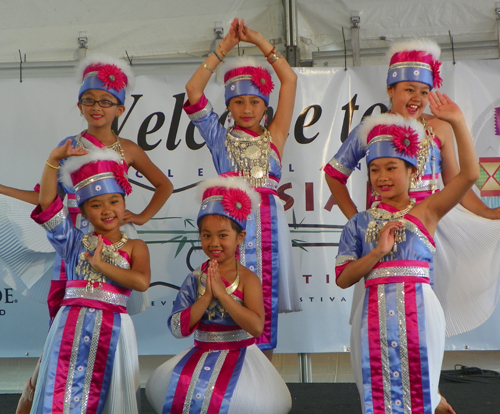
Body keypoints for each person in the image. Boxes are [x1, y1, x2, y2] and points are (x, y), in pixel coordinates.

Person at [5, 55, 173, 414]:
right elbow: (45, 199)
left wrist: (140, 216)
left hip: (116, 241)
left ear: (120, 107)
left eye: (105, 101)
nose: (97, 107)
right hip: (74, 244)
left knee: (106, 325)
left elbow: (164, 185)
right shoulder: (69, 147)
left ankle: (103, 401)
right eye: (89, 100)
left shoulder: (128, 149)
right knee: (63, 330)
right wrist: (4, 190)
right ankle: (35, 397)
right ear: (79, 105)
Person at [324, 39, 500, 339]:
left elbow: (456, 181)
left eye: (424, 91)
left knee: (430, 308)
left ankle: (427, 375)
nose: (417, 97)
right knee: (384, 302)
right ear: (390, 90)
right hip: (386, 226)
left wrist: (486, 212)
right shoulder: (371, 129)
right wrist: (358, 219)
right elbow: (333, 174)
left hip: (431, 224)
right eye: (409, 89)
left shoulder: (440, 127)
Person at [335, 94, 477, 414]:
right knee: (375, 396)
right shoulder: (358, 223)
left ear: (412, 171)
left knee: (421, 393)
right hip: (369, 316)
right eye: (374, 169)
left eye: (391, 167)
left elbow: (468, 175)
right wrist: (377, 253)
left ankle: (433, 400)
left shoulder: (428, 211)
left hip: (422, 315)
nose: (382, 176)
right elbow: (343, 278)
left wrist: (457, 122)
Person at [183, 18, 300, 355]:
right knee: (226, 294)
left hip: (270, 228)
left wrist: (260, 41)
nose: (247, 109)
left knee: (264, 296)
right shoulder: (219, 137)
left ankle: (263, 379)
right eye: (238, 102)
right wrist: (224, 48)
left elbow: (289, 79)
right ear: (228, 107)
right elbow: (193, 91)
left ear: (266, 106)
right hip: (230, 226)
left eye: (255, 102)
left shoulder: (275, 136)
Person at [145, 176, 292, 414]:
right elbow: (177, 327)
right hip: (200, 352)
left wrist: (223, 296)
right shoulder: (194, 278)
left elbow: (256, 327)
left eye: (223, 235)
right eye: (206, 235)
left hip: (241, 357)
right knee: (169, 389)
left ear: (240, 237)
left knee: (247, 403)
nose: (214, 243)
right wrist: (205, 298)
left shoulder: (248, 279)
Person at [29, 143, 151, 414]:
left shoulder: (135, 246)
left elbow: (141, 282)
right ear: (83, 213)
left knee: (109, 396)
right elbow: (47, 205)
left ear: (124, 203)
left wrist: (102, 266)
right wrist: (53, 160)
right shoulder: (73, 242)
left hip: (114, 328)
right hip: (69, 327)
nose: (107, 210)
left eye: (114, 201)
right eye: (96, 205)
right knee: (60, 392)